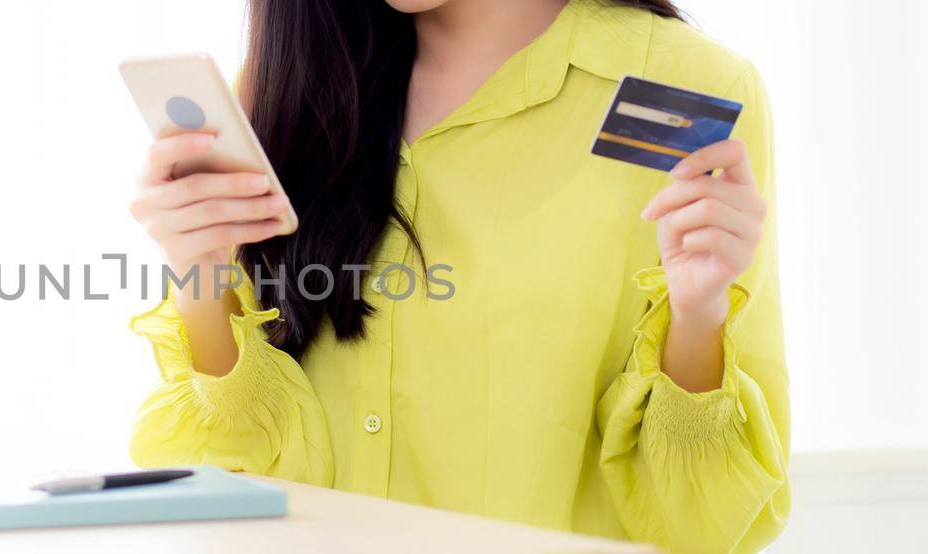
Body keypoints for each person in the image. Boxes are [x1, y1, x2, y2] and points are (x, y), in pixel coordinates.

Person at [124, 0, 788, 551]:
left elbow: (699, 524)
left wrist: (698, 318)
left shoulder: (679, 88)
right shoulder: (290, 88)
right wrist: (201, 277)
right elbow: (237, 480)